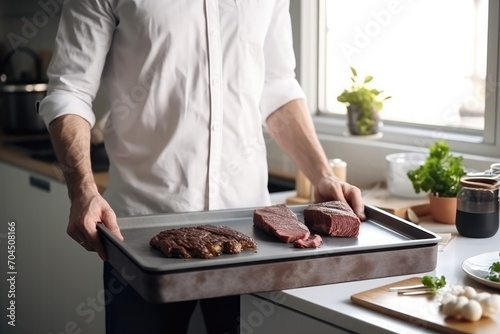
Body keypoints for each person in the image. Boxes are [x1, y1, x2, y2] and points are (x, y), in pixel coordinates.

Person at [39, 1, 366, 333]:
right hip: (142, 236)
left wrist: (322, 174)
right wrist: (83, 190)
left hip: (252, 236)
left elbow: (277, 86)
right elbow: (70, 90)